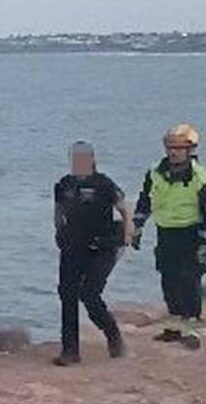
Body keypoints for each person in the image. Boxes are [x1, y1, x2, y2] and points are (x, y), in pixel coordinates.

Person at [132, 124, 206, 350]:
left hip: (191, 233)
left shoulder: (204, 179)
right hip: (166, 233)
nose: (173, 152)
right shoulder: (155, 173)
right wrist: (137, 226)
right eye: (170, 147)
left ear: (190, 150)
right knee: (168, 280)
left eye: (179, 148)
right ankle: (173, 328)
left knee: (190, 281)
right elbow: (145, 200)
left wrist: (205, 244)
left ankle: (192, 331)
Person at [52, 141, 132, 366]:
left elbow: (125, 210)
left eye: (83, 158)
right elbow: (58, 211)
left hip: (101, 246)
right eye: (75, 158)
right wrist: (59, 232)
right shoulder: (64, 184)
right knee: (67, 294)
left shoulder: (104, 184)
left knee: (89, 294)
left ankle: (112, 334)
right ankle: (70, 350)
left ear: (92, 159)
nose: (79, 162)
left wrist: (127, 236)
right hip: (72, 246)